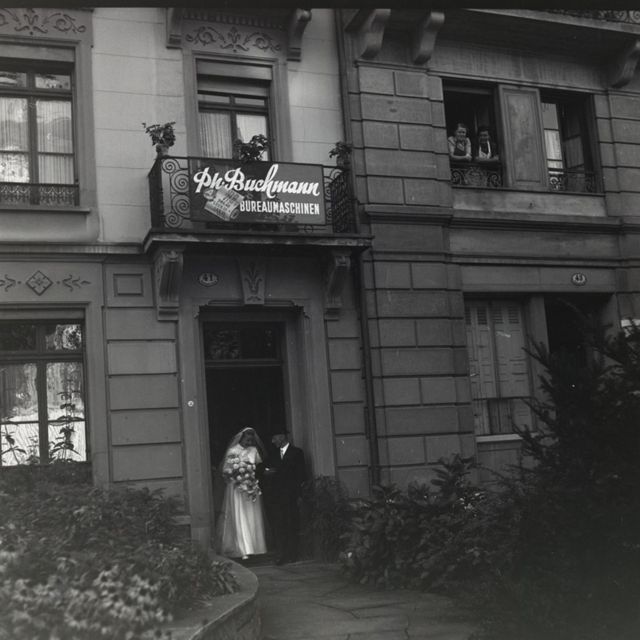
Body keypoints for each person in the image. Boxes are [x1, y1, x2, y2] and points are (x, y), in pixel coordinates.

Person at [217, 427, 267, 560]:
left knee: (252, 516)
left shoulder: (254, 450)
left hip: (251, 487)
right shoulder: (233, 451)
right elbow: (226, 471)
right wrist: (237, 475)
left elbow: (258, 468)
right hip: (237, 488)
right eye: (247, 440)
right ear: (241, 438)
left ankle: (255, 548)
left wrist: (250, 477)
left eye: (251, 440)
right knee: (240, 515)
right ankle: (242, 548)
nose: (249, 442)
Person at [264, 431, 307, 565]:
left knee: (292, 524)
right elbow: (266, 469)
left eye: (274, 438)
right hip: (276, 496)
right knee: (279, 525)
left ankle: (292, 554)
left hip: (291, 495)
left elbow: (301, 475)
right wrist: (267, 472)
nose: (273, 441)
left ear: (282, 437)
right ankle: (281, 555)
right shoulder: (273, 454)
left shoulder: (297, 452)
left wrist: (299, 495)